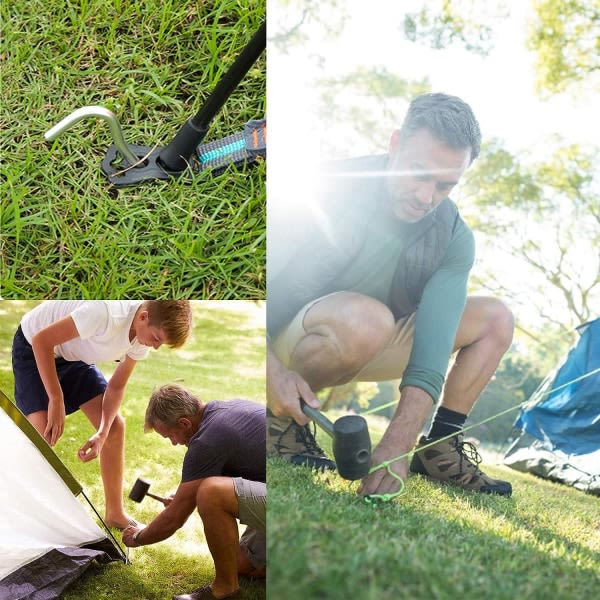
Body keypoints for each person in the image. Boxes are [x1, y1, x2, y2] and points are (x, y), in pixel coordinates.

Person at [267, 92, 514, 497]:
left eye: (444, 185)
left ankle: (438, 451)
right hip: (288, 338)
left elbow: (431, 354)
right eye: (419, 173)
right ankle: (279, 423)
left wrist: (398, 442)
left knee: (495, 318)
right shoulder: (320, 189)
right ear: (395, 143)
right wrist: (271, 370)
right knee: (368, 319)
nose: (426, 197)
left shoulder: (453, 236)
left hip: (372, 340)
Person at [12, 300, 192, 528]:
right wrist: (55, 399)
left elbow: (116, 386)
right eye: (157, 339)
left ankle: (114, 514)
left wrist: (102, 432)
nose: (155, 347)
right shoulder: (104, 313)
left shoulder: (142, 336)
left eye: (161, 343)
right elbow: (41, 341)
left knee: (115, 427)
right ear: (144, 317)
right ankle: (21, 512)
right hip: (33, 347)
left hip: (73, 356)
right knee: (41, 434)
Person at [122, 384, 266, 600]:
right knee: (237, 562)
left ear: (184, 423)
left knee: (211, 493)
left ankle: (225, 589)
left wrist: (138, 537)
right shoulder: (223, 412)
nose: (173, 443)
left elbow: (174, 519)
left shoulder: (206, 441)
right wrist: (184, 497)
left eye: (170, 435)